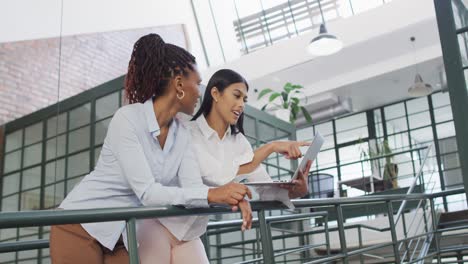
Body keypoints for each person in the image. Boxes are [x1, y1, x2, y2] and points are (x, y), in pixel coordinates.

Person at [49, 34, 251, 264]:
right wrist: (213, 194)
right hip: (80, 224)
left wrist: (229, 197)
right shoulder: (128, 119)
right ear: (178, 84)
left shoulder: (182, 133)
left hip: (120, 232)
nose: (200, 91)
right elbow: (147, 192)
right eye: (197, 82)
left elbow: (193, 188)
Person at [139, 69, 312, 263]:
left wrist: (295, 190)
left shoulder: (239, 143)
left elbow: (264, 188)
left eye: (244, 100)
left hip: (188, 235)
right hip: (158, 223)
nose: (241, 105)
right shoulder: (187, 132)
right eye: (236, 96)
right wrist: (270, 148)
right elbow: (217, 177)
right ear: (215, 94)